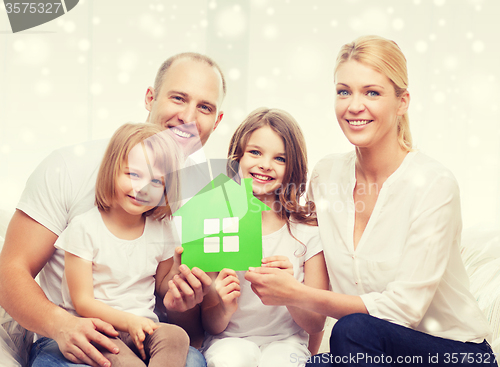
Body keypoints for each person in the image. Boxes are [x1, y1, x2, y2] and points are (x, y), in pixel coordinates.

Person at [245, 36, 496, 366]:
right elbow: (302, 245)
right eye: (344, 91)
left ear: (402, 102)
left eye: (372, 92)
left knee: (352, 331)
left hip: (452, 352)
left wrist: (296, 293)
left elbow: (403, 310)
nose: (353, 105)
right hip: (370, 353)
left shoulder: (434, 184)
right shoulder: (326, 176)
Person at [0, 52, 226, 367]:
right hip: (75, 335)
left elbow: (192, 325)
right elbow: (10, 271)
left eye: (204, 107)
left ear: (217, 120)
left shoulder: (215, 201)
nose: (188, 117)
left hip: (151, 338)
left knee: (190, 356)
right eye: (178, 98)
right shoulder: (69, 167)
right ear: (150, 97)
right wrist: (62, 325)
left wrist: (184, 301)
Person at [201, 108, 329, 367]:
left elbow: (316, 324)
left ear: (293, 167)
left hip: (286, 343)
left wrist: (290, 293)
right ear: (237, 157)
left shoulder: (309, 231)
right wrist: (223, 305)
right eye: (255, 152)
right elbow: (212, 325)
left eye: (280, 158)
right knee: (228, 361)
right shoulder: (217, 223)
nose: (265, 164)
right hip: (228, 339)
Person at [57, 123, 189, 366]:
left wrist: (177, 273)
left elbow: (162, 286)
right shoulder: (85, 228)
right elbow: (82, 302)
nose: (142, 188)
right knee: (126, 361)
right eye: (133, 174)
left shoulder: (162, 228)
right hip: (97, 327)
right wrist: (129, 322)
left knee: (177, 336)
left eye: (157, 182)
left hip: (145, 326)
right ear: (111, 171)